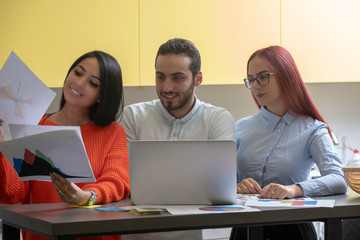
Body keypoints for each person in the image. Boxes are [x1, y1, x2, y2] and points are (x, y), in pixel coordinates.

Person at [0, 51, 131, 240]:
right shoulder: (34, 125)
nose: (79, 83)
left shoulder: (112, 132)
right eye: (78, 73)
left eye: (93, 83)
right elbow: (13, 195)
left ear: (101, 96)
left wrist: (87, 196)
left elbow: (116, 183)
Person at [120, 38, 235, 240]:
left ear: (197, 79)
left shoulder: (217, 119)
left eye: (177, 78)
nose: (167, 87)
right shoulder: (132, 117)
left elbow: (218, 189)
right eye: (160, 77)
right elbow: (123, 182)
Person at [230, 46, 347, 240]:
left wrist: (295, 189)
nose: (256, 86)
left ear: (286, 75)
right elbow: (217, 181)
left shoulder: (313, 129)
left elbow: (338, 179)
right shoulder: (240, 128)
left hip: (293, 230)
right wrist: (234, 186)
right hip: (244, 231)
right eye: (251, 80)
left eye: (263, 77)